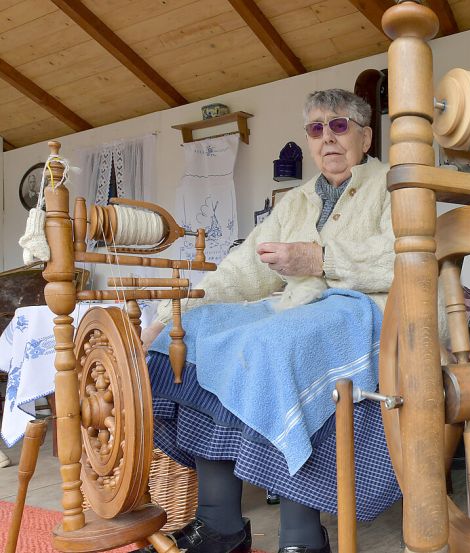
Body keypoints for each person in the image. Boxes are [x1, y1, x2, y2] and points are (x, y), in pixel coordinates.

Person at [137, 89, 398, 553]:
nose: (327, 138)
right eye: (316, 128)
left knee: (278, 346)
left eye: (339, 125)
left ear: (365, 136)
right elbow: (244, 267)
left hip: (366, 309)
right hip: (299, 306)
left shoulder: (392, 183)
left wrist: (319, 257)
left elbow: (403, 257)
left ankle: (301, 537)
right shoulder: (295, 201)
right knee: (192, 337)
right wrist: (171, 314)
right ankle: (220, 525)